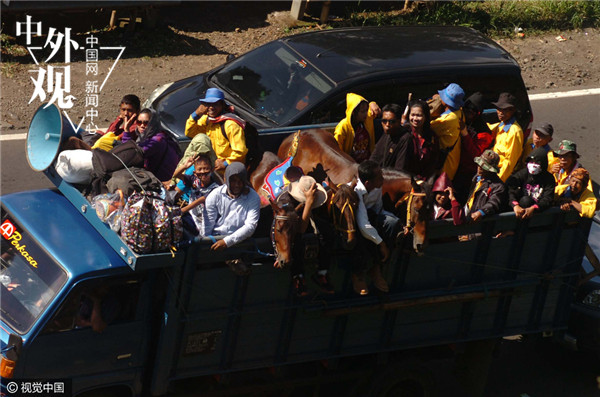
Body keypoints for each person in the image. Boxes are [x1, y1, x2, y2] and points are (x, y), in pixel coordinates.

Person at [276, 175, 335, 297]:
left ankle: (322, 272)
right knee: (297, 240)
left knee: (327, 231)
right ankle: (298, 276)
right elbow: (300, 230)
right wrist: (308, 203)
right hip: (289, 228)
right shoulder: (285, 202)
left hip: (307, 220)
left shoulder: (314, 197)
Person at [352, 160, 402, 295]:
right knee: (360, 235)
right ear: (368, 183)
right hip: (356, 224)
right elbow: (363, 224)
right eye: (380, 177)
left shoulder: (377, 187)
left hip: (370, 219)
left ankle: (376, 268)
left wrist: (400, 223)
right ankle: (358, 274)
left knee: (393, 223)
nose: (383, 179)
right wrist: (381, 244)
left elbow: (379, 210)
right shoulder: (355, 191)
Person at [204, 162, 261, 274]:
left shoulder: (253, 197)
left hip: (240, 242)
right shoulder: (214, 195)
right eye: (233, 181)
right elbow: (207, 225)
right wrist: (207, 244)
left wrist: (227, 242)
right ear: (226, 180)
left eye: (240, 181)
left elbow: (250, 226)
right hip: (216, 240)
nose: (236, 185)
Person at [184, 88, 248, 173]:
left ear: (222, 106)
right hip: (212, 167)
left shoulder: (230, 125)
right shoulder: (207, 120)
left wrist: (225, 163)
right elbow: (190, 133)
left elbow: (241, 151)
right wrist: (196, 114)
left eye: (215, 104)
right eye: (208, 104)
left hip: (228, 170)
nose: (211, 108)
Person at [453, 92, 494, 202]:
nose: (468, 112)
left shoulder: (484, 133)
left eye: (472, 110)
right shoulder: (461, 119)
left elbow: (475, 154)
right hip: (455, 166)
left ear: (478, 113)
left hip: (468, 174)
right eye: (466, 107)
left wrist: (465, 133)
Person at [451, 150, 507, 225]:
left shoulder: (498, 186)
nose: (479, 168)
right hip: (467, 214)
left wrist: (481, 212)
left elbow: (493, 203)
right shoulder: (476, 178)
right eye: (479, 164)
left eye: (484, 167)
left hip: (480, 226)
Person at [125, 108, 181, 182]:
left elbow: (133, 154)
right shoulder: (153, 136)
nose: (142, 125)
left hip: (162, 183)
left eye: (146, 123)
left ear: (153, 123)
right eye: (139, 122)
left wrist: (126, 131)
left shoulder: (157, 140)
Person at [170, 154, 220, 235]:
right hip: (194, 215)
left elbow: (202, 199)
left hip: (208, 218)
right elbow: (176, 175)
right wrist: (185, 166)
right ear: (195, 173)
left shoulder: (215, 187)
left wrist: (183, 210)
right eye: (200, 169)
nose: (203, 172)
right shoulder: (193, 180)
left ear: (211, 170)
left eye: (206, 168)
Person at [506, 147, 556, 220]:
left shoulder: (548, 179)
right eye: (531, 162)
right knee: (525, 200)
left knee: (527, 201)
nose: (533, 165)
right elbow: (510, 190)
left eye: (536, 163)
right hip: (519, 210)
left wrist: (534, 208)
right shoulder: (521, 174)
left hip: (538, 214)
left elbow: (548, 198)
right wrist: (515, 205)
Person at [430, 83, 465, 180]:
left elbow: (426, 126)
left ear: (446, 102)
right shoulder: (459, 113)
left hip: (443, 168)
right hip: (453, 163)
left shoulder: (446, 119)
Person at [397, 100, 440, 179]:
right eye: (412, 115)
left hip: (425, 182)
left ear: (425, 116)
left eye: (419, 115)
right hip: (404, 180)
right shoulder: (403, 134)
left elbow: (433, 162)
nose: (415, 118)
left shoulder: (431, 137)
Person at [333, 93, 381, 163]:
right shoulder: (343, 126)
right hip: (350, 165)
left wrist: (372, 104)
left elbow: (373, 107)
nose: (365, 114)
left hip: (367, 163)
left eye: (366, 110)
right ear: (353, 112)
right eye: (362, 112)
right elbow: (336, 148)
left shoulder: (367, 120)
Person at [488, 92, 524, 182]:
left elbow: (509, 162)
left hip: (503, 175)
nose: (500, 112)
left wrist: (498, 181)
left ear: (512, 111)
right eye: (499, 109)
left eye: (505, 110)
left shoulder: (515, 131)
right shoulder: (500, 125)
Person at [370, 104, 409, 170]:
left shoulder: (405, 138)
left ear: (399, 121)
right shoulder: (386, 134)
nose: (387, 125)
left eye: (392, 122)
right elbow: (374, 158)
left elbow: (399, 169)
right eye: (384, 121)